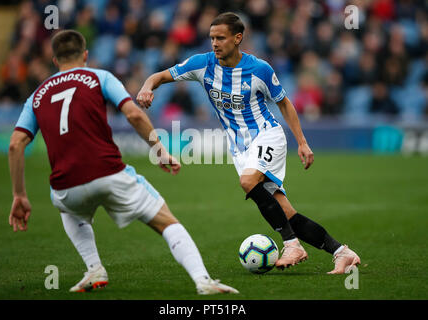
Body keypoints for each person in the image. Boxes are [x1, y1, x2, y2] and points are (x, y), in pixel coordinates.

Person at [8, 29, 238, 295]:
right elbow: (134, 115)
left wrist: (19, 195)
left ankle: (94, 268)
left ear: (55, 60)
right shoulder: (99, 77)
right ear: (85, 55)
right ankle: (203, 281)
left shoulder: (37, 95)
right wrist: (160, 150)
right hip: (109, 173)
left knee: (68, 209)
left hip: (65, 185)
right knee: (167, 221)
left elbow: (15, 144)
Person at [137, 12, 360, 274]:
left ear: (237, 38)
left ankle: (292, 245)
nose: (215, 43)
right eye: (211, 38)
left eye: (220, 38)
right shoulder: (202, 64)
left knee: (247, 181)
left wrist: (302, 142)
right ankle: (341, 252)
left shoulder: (260, 69)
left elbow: (284, 104)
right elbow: (160, 76)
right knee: (286, 213)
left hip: (267, 135)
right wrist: (146, 87)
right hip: (240, 149)